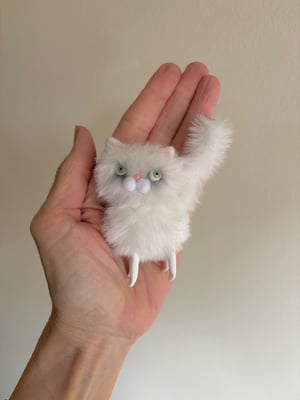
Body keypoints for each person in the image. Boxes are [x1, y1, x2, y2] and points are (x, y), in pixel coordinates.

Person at [10, 62, 220, 399]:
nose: (135, 179)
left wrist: (94, 336)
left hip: (162, 228)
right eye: (124, 171)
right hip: (138, 236)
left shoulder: (168, 196)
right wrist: (91, 331)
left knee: (163, 237)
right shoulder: (119, 209)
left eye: (149, 175)